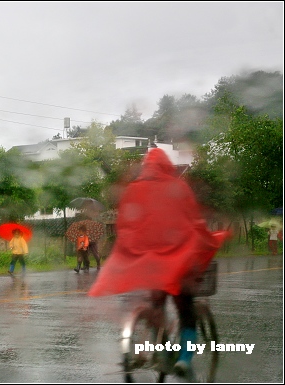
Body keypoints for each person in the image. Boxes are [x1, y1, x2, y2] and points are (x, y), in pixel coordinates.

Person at [88, 147, 230, 378]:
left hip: (149, 264)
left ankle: (161, 354)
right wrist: (208, 241)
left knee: (156, 308)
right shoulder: (179, 188)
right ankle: (184, 359)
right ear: (167, 166)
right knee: (186, 312)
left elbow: (126, 226)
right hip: (179, 263)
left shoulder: (134, 190)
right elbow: (193, 223)